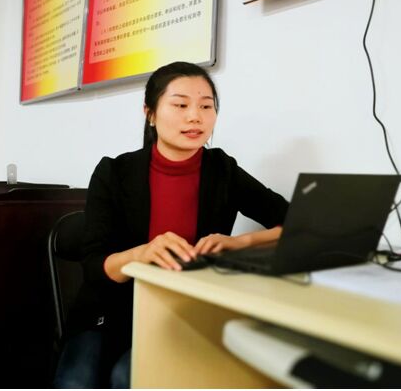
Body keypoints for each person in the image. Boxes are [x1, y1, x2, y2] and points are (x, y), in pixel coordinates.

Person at [53, 61, 288, 388]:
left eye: (206, 106)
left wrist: (240, 242)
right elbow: (95, 267)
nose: (195, 117)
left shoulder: (222, 170)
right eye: (180, 105)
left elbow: (294, 221)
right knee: (77, 381)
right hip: (109, 310)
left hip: (183, 311)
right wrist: (141, 253)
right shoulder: (114, 172)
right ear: (149, 113)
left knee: (127, 376)